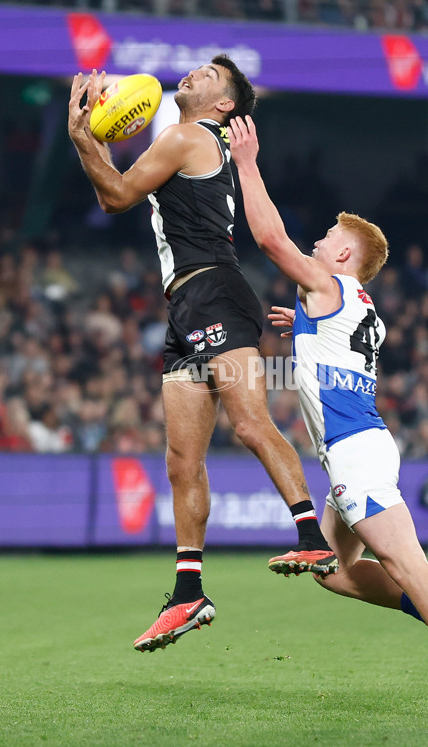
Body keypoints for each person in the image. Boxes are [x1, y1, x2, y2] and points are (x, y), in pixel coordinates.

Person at [228, 115, 428, 726]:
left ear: (345, 254)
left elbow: (273, 241)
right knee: (333, 569)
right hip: (357, 448)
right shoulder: (351, 303)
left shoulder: (331, 285)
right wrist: (302, 327)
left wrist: (247, 164)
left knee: (408, 562)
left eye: (327, 236)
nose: (319, 242)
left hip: (356, 450)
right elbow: (330, 353)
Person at [68, 58, 337, 654]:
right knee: (180, 461)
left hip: (215, 291)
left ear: (223, 106)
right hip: (187, 304)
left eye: (209, 76)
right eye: (195, 69)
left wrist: (84, 137)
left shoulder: (187, 136)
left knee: (248, 422)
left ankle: (312, 534)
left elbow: (115, 197)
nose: (193, 74)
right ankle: (188, 591)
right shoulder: (196, 138)